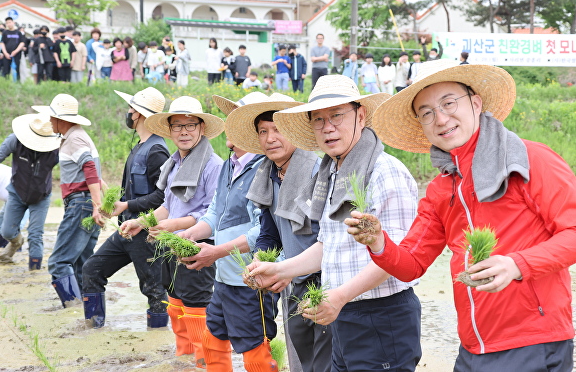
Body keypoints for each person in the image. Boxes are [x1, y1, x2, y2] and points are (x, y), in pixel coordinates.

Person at [351, 59, 576, 371]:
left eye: (448, 103)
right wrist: (377, 242)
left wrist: (516, 264)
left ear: (476, 103)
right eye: (426, 112)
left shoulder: (529, 159)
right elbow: (411, 264)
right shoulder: (442, 188)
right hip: (471, 348)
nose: (441, 118)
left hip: (532, 342)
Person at [249, 75, 422, 371]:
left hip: (380, 315)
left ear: (361, 115)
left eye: (337, 116)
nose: (328, 128)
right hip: (343, 315)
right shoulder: (331, 174)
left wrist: (339, 296)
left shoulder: (383, 172)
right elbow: (327, 245)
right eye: (318, 120)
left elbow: (399, 257)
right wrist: (279, 269)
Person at [223, 92, 333, 372]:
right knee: (301, 356)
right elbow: (269, 232)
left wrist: (285, 269)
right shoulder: (268, 174)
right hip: (293, 281)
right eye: (263, 131)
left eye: (279, 129)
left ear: (295, 132)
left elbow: (328, 237)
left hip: (326, 281)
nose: (270, 138)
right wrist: (261, 259)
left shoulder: (317, 173)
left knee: (325, 360)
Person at [178, 92, 286, 371]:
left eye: (237, 121)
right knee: (213, 339)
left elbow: (262, 231)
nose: (230, 126)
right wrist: (190, 234)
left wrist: (216, 251)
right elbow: (214, 213)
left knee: (255, 350)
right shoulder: (229, 165)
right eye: (229, 119)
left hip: (250, 280)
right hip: (223, 278)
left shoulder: (264, 167)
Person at [121, 96, 224, 368]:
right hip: (169, 245)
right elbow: (167, 206)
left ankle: (205, 361)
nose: (184, 131)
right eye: (177, 126)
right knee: (175, 302)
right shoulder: (174, 163)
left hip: (196, 248)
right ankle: (184, 359)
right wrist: (140, 223)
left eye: (190, 125)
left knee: (196, 306)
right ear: (169, 130)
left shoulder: (213, 165)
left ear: (202, 128)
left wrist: (176, 226)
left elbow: (214, 213)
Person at [82, 87, 170, 329]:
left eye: (131, 108)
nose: (127, 111)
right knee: (91, 269)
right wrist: (113, 205)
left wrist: (127, 206)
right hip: (125, 230)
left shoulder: (157, 151)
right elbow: (131, 190)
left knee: (153, 289)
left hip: (145, 233)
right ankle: (94, 325)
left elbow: (163, 196)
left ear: (139, 114)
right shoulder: (139, 146)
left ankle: (159, 335)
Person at [32, 94, 102, 309]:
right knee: (83, 262)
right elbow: (94, 172)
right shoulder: (77, 137)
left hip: (80, 204)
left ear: (61, 119)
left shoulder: (74, 138)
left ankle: (72, 308)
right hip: (86, 204)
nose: (50, 122)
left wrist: (98, 205)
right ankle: (88, 310)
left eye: (52, 117)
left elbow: (89, 167)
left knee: (59, 262)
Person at [0, 114, 60, 269]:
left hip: (41, 197)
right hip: (16, 193)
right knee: (7, 232)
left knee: (35, 234)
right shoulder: (15, 140)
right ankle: (17, 243)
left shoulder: (55, 149)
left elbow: (72, 164)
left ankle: (34, 268)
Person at [0, 16, 25, 81]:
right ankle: (6, 85)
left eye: (9, 22)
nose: (8, 24)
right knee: (6, 71)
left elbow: (22, 43)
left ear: (13, 22)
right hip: (7, 55)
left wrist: (16, 51)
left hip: (16, 54)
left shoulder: (18, 33)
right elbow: (2, 43)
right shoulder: (5, 33)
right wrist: (5, 53)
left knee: (16, 70)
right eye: (7, 23)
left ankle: (17, 84)